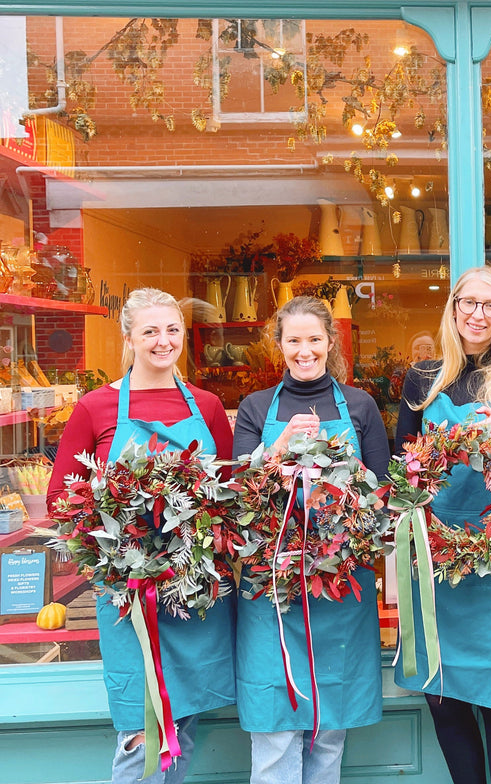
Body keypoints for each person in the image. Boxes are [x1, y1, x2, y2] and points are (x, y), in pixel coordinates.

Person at [47, 287, 236, 784]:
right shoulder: (95, 407)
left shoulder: (210, 406)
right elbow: (60, 501)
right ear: (128, 337)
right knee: (139, 736)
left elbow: (232, 493)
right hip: (130, 596)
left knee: (186, 725)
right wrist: (116, 551)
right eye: (150, 330)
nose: (163, 340)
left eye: (172, 329)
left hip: (194, 590)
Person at [394, 265, 491, 784]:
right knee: (443, 695)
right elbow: (403, 466)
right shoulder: (422, 377)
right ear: (453, 306)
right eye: (469, 302)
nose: (478, 314)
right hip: (436, 556)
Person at [232, 295, 390, 784]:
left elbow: (383, 495)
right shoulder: (255, 407)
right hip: (271, 586)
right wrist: (275, 451)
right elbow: (236, 495)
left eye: (314, 340)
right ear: (278, 345)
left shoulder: (360, 405)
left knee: (328, 726)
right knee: (276, 724)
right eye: (293, 340)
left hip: (340, 584)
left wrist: (346, 476)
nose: (305, 351)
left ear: (329, 343)